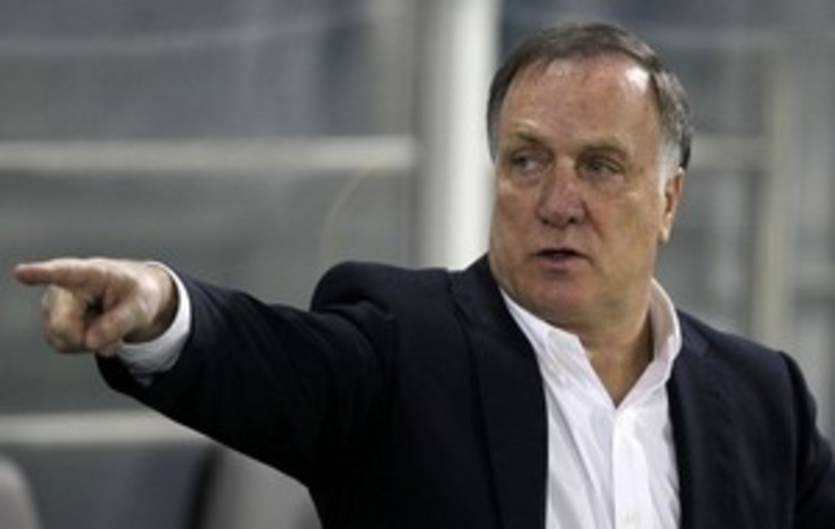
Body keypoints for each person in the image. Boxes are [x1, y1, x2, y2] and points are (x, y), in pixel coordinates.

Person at [14, 22, 835, 529]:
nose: (557, 203)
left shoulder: (763, 399)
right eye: (526, 161)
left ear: (668, 200)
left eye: (598, 166)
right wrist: (161, 306)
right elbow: (266, 355)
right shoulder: (402, 345)